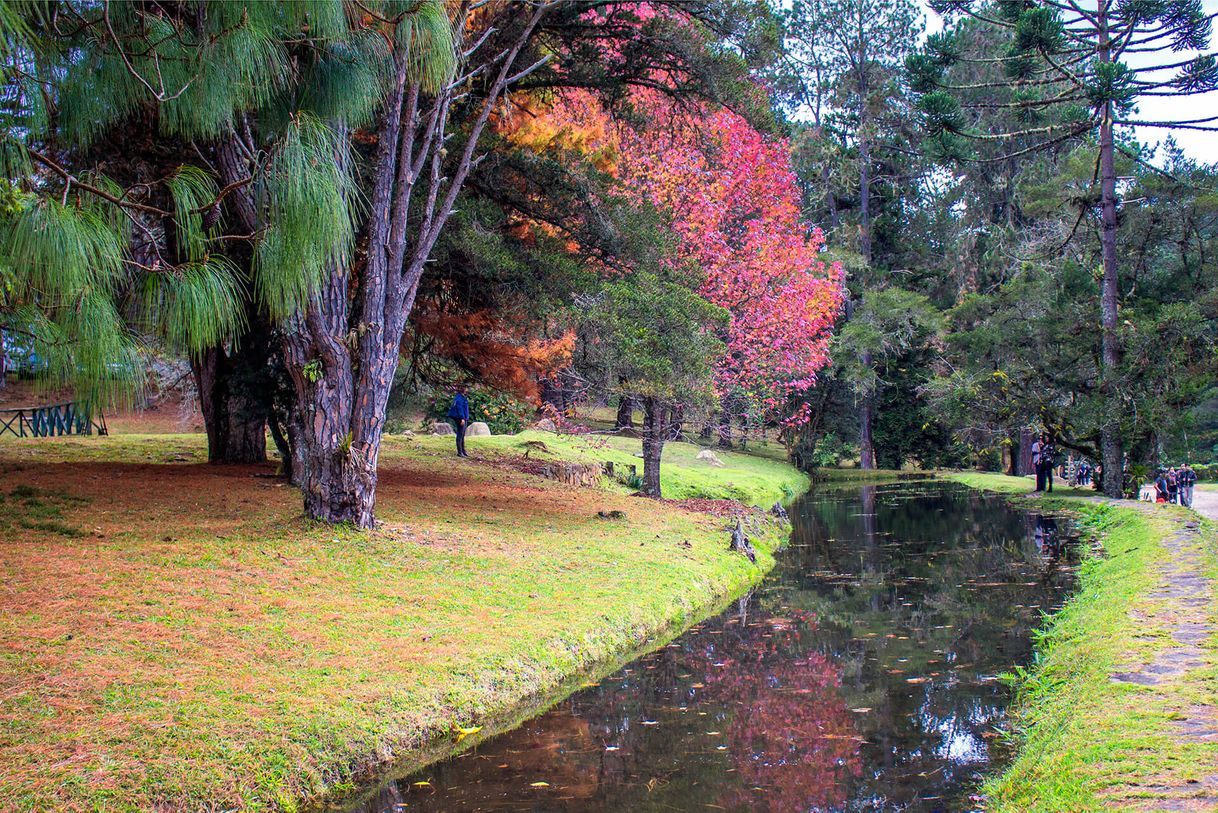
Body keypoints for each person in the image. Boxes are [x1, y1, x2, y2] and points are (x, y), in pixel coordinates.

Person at [448, 385, 470, 458]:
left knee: (462, 434)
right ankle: (460, 452)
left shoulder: (462, 397)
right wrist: (462, 418)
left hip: (464, 418)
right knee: (460, 435)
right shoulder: (459, 398)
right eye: (466, 387)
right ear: (463, 389)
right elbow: (459, 409)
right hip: (461, 418)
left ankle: (463, 451)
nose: (467, 389)